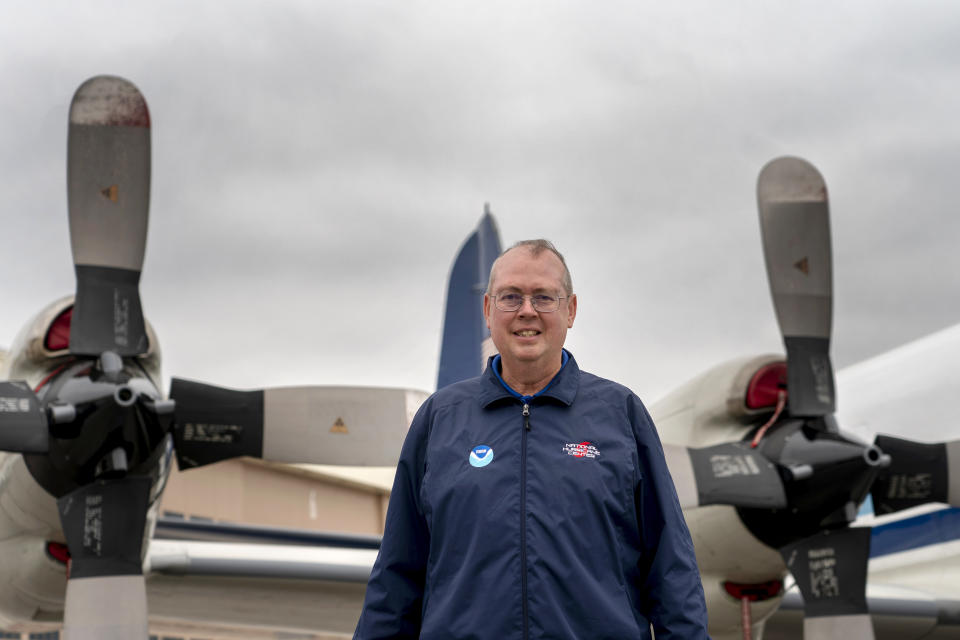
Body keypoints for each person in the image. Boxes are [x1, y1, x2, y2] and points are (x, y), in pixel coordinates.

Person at [354, 240, 709, 639]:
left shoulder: (622, 415)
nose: (527, 310)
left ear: (570, 310)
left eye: (544, 297)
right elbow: (397, 575)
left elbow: (672, 569)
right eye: (511, 297)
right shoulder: (440, 420)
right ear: (488, 310)